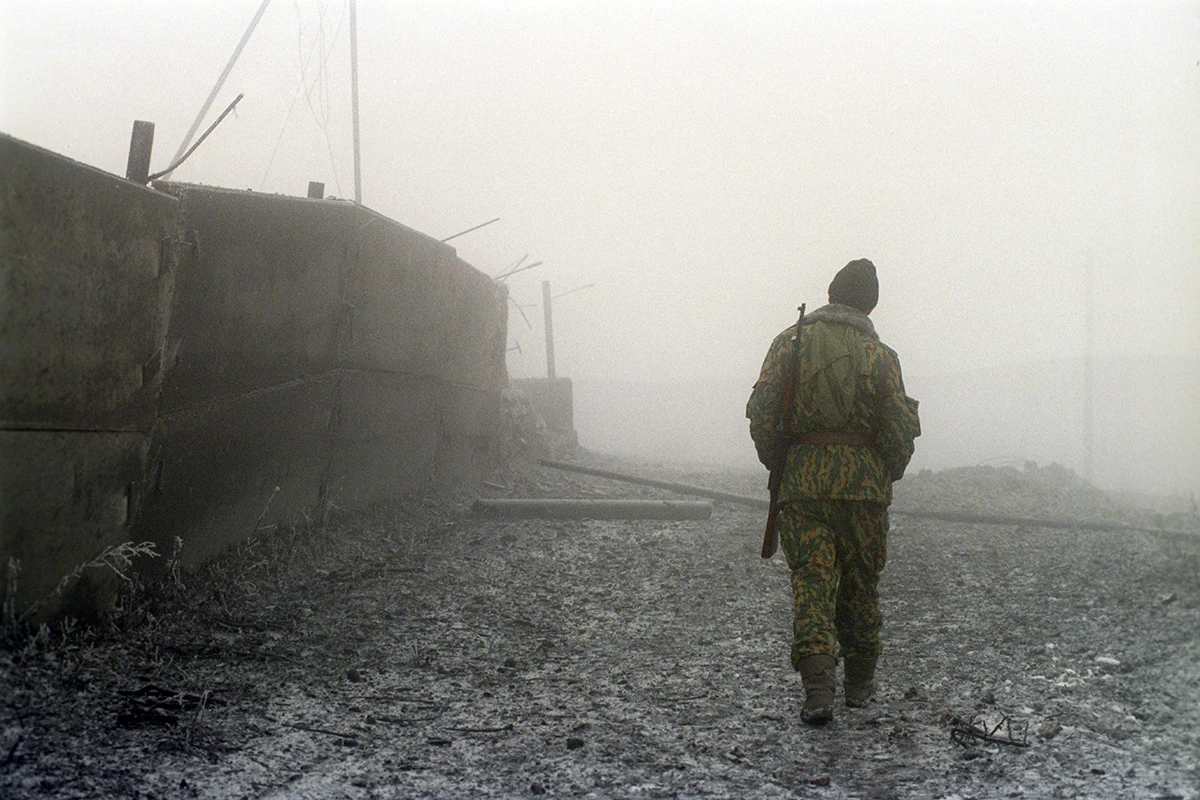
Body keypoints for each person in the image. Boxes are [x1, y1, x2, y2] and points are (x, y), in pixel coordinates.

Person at [746, 258, 920, 725]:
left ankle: (818, 689)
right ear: (870, 305)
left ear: (830, 294)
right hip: (864, 493)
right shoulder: (881, 356)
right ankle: (860, 685)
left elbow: (762, 413)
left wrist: (783, 464)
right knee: (861, 585)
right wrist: (881, 473)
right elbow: (899, 431)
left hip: (803, 489)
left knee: (812, 584)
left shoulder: (790, 343)